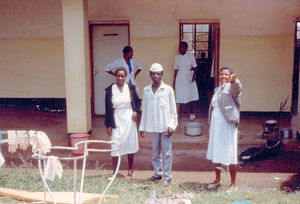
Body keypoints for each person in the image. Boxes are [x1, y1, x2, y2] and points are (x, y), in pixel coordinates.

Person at [139, 63, 178, 187]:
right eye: (153, 74)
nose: (156, 76)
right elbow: (144, 109)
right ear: (150, 75)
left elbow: (173, 110)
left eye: (158, 74)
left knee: (166, 153)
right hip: (152, 126)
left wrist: (172, 125)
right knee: (155, 152)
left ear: (162, 75)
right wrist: (142, 127)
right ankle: (157, 173)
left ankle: (168, 177)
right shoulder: (146, 90)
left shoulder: (168, 90)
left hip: (166, 126)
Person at [206, 67, 242, 192]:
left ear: (231, 76)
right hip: (216, 126)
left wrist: (234, 81)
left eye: (226, 75)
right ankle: (217, 179)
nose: (223, 77)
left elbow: (237, 89)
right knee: (216, 151)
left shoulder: (232, 88)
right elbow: (213, 110)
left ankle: (233, 184)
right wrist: (210, 129)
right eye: (221, 74)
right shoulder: (217, 90)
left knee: (231, 153)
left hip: (227, 125)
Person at [105, 67, 141, 178]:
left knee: (130, 143)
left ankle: (130, 169)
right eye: (118, 76)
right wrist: (109, 125)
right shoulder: (110, 89)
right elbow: (108, 108)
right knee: (115, 144)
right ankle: (115, 171)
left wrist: (136, 111)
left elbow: (138, 101)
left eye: (122, 76)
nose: (120, 78)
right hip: (116, 118)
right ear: (115, 76)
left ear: (125, 77)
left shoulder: (131, 88)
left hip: (129, 118)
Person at [173, 41, 199, 120]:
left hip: (188, 77)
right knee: (179, 95)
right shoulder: (177, 57)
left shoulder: (190, 56)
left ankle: (192, 113)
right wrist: (174, 82)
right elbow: (176, 70)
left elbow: (195, 68)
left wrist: (193, 77)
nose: (180, 49)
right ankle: (178, 114)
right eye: (179, 47)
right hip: (180, 77)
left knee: (190, 96)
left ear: (186, 48)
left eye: (182, 47)